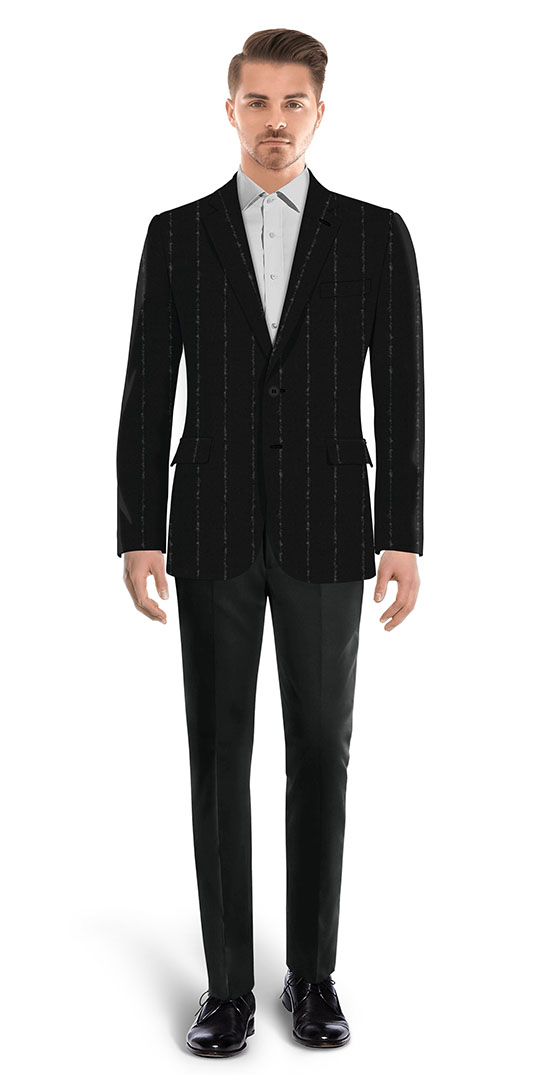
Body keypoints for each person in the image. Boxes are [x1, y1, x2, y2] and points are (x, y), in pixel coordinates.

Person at [116, 27, 424, 1056]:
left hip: (331, 527)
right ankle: (226, 990)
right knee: (218, 758)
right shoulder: (175, 235)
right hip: (206, 525)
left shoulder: (375, 236)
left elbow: (403, 391)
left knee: (321, 754)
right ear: (230, 110)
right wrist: (138, 531)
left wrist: (402, 534)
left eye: (295, 103)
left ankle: (312, 975)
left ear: (319, 113)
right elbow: (147, 387)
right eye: (258, 101)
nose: (276, 121)